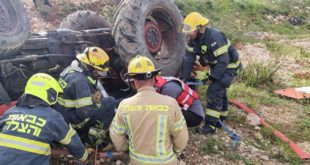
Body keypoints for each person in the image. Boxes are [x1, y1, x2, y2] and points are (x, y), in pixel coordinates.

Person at [110, 55, 188, 164]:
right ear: (154, 79)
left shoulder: (124, 105)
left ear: (134, 81)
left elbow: (116, 134)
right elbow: (181, 137)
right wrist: (177, 151)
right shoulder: (170, 104)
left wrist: (125, 149)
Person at [0, 73, 89, 164]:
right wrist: (84, 156)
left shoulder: (10, 113)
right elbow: (73, 142)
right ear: (51, 94)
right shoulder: (53, 116)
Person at [182, 12, 242, 134]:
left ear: (199, 28)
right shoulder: (194, 40)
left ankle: (211, 125)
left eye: (191, 31)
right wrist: (184, 78)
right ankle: (222, 117)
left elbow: (223, 61)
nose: (188, 34)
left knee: (214, 91)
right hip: (218, 67)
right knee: (220, 91)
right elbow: (189, 60)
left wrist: (212, 78)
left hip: (229, 67)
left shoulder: (214, 37)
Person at [54, 47, 118, 146]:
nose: (99, 73)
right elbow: (85, 113)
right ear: (90, 66)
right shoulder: (81, 82)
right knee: (110, 102)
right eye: (98, 70)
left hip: (62, 117)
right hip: (73, 123)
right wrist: (97, 102)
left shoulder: (71, 70)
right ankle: (96, 140)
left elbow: (73, 95)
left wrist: (91, 98)